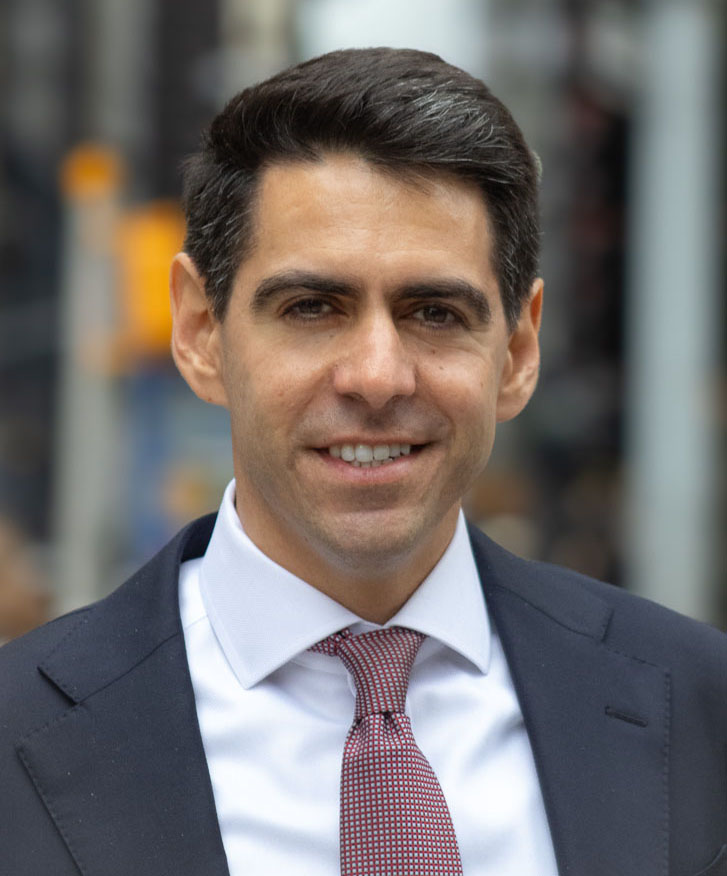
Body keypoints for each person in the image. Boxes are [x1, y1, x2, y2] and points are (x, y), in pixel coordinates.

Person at [0, 48, 724, 876]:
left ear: (518, 351)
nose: (377, 376)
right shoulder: (14, 734)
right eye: (312, 307)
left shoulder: (699, 710)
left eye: (435, 312)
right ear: (201, 331)